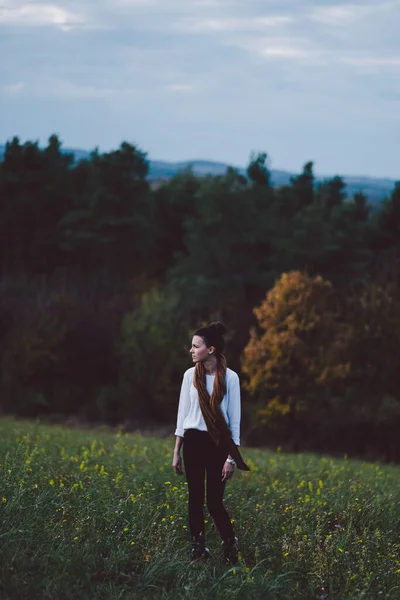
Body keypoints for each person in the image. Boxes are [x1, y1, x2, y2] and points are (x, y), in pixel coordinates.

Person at [172, 322, 250, 564]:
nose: (191, 350)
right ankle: (198, 551)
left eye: (196, 346)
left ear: (211, 349)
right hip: (193, 441)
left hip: (217, 443)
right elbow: (182, 415)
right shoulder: (189, 376)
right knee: (194, 499)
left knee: (214, 502)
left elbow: (234, 420)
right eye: (192, 346)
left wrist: (230, 458)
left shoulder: (231, 378)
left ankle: (229, 547)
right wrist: (177, 451)